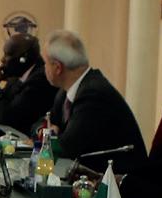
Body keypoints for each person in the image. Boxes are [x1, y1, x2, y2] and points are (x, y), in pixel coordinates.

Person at [41, 29, 144, 185]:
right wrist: (46, 131)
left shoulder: (93, 94)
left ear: (57, 67)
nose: (44, 68)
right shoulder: (67, 90)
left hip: (119, 187)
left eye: (45, 63)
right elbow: (45, 122)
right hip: (89, 178)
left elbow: (67, 148)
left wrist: (50, 135)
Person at [0, 33, 52, 134]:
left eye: (7, 54)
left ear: (24, 58)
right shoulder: (17, 73)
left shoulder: (40, 79)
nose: (2, 59)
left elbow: (8, 117)